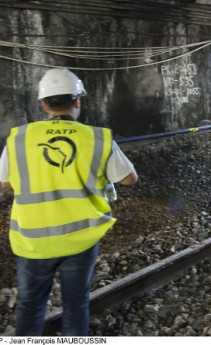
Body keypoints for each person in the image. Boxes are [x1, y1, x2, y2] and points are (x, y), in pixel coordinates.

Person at [0, 68, 138, 336]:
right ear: (77, 101)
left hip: (33, 240)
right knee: (76, 304)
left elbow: (4, 181)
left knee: (30, 305)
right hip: (80, 238)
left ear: (43, 104)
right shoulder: (98, 138)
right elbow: (129, 179)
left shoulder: (19, 138)